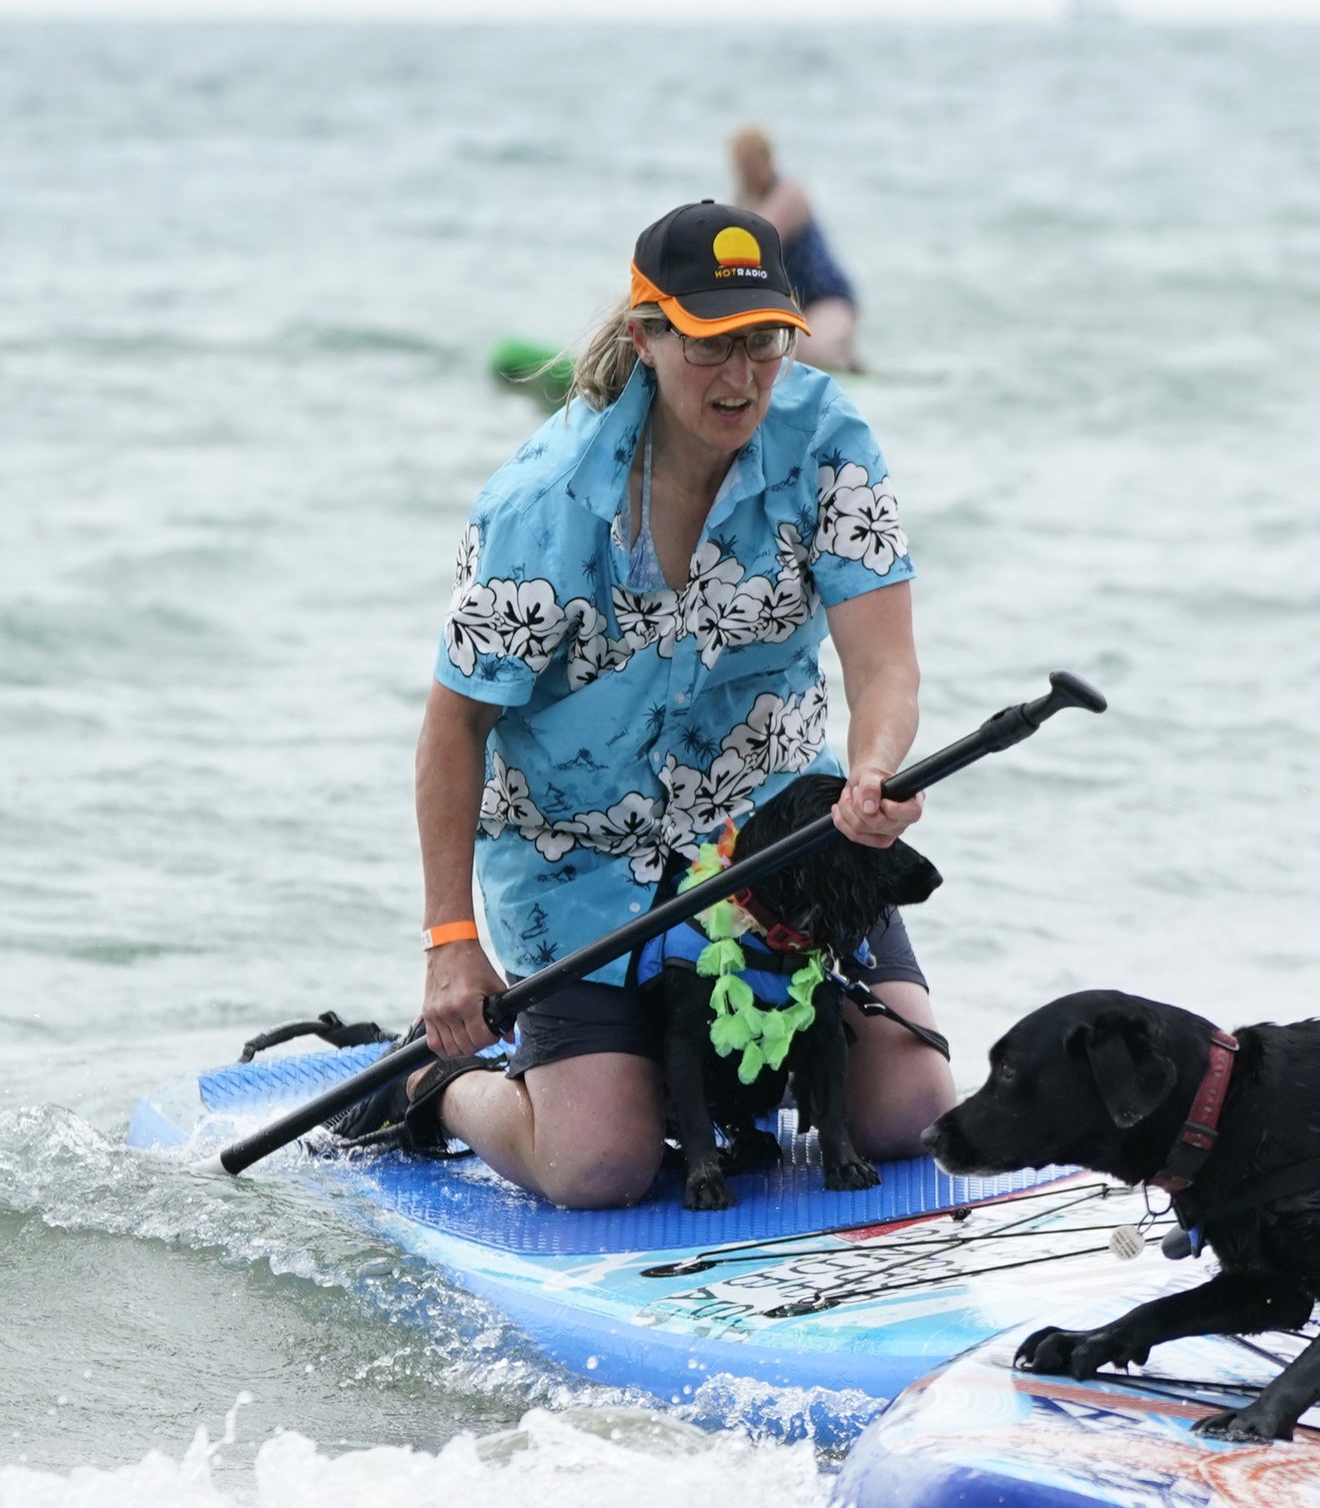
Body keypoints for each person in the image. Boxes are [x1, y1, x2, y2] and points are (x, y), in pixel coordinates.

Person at [359, 198, 953, 1208]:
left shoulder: (831, 441)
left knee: (909, 1113)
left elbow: (884, 665)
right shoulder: (540, 503)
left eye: (764, 344)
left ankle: (730, 1087)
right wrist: (450, 943)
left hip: (772, 841)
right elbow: (454, 725)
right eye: (712, 347)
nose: (742, 379)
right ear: (648, 336)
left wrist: (873, 770)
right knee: (599, 1169)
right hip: (580, 859)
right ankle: (431, 1077)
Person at [729, 126, 864, 372]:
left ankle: (851, 367)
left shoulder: (790, 194)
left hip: (826, 299)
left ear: (767, 159)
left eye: (750, 164)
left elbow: (762, 240)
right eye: (741, 166)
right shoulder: (743, 200)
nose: (746, 173)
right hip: (790, 305)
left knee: (814, 354)